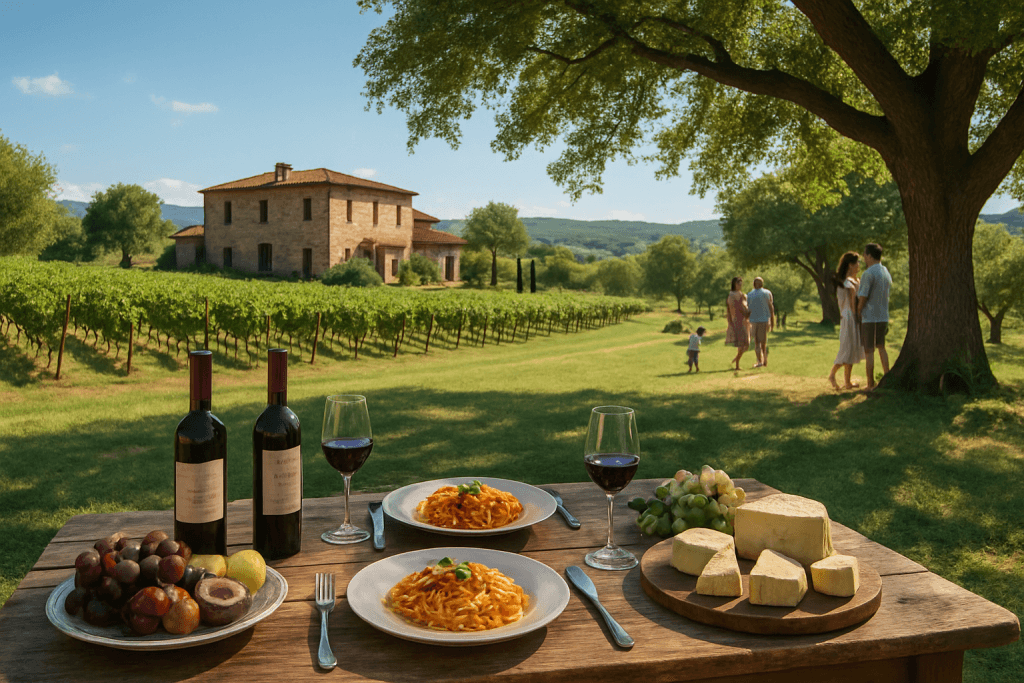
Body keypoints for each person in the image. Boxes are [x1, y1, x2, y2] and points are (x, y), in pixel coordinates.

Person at [857, 243, 893, 390]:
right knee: (881, 347)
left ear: (870, 255)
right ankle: (887, 377)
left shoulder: (868, 273)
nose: (864, 258)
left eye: (865, 255)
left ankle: (870, 383)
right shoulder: (885, 272)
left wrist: (858, 310)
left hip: (870, 317)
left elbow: (863, 296)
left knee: (869, 350)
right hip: (883, 315)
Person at [827, 251, 865, 389]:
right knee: (847, 349)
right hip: (849, 317)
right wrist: (857, 319)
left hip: (849, 316)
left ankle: (847, 382)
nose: (859, 264)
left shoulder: (854, 281)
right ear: (850, 265)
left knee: (852, 349)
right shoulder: (847, 283)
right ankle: (832, 375)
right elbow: (853, 304)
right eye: (857, 262)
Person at [746, 276, 775, 368]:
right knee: (763, 342)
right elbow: (771, 308)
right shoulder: (767, 293)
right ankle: (764, 360)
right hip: (764, 320)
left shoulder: (749, 294)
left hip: (754, 321)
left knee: (757, 342)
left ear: (754, 284)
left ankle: (759, 361)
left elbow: (748, 309)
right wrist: (772, 321)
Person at [724, 276, 749, 371]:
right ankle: (737, 363)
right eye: (738, 283)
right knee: (743, 343)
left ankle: (737, 360)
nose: (740, 285)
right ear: (734, 284)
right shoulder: (733, 295)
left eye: (741, 283)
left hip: (743, 320)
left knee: (745, 343)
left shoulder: (740, 294)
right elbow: (734, 308)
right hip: (738, 320)